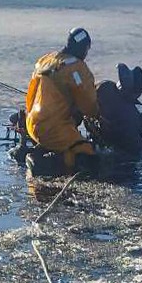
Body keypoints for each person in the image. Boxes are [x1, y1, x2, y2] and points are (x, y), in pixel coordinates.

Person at [23, 27, 101, 176]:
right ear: (84, 48)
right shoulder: (77, 68)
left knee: (62, 135)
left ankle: (42, 149)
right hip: (52, 129)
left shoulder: (45, 60)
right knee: (86, 153)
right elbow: (89, 106)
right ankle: (47, 164)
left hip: (32, 124)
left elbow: (30, 96)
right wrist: (97, 114)